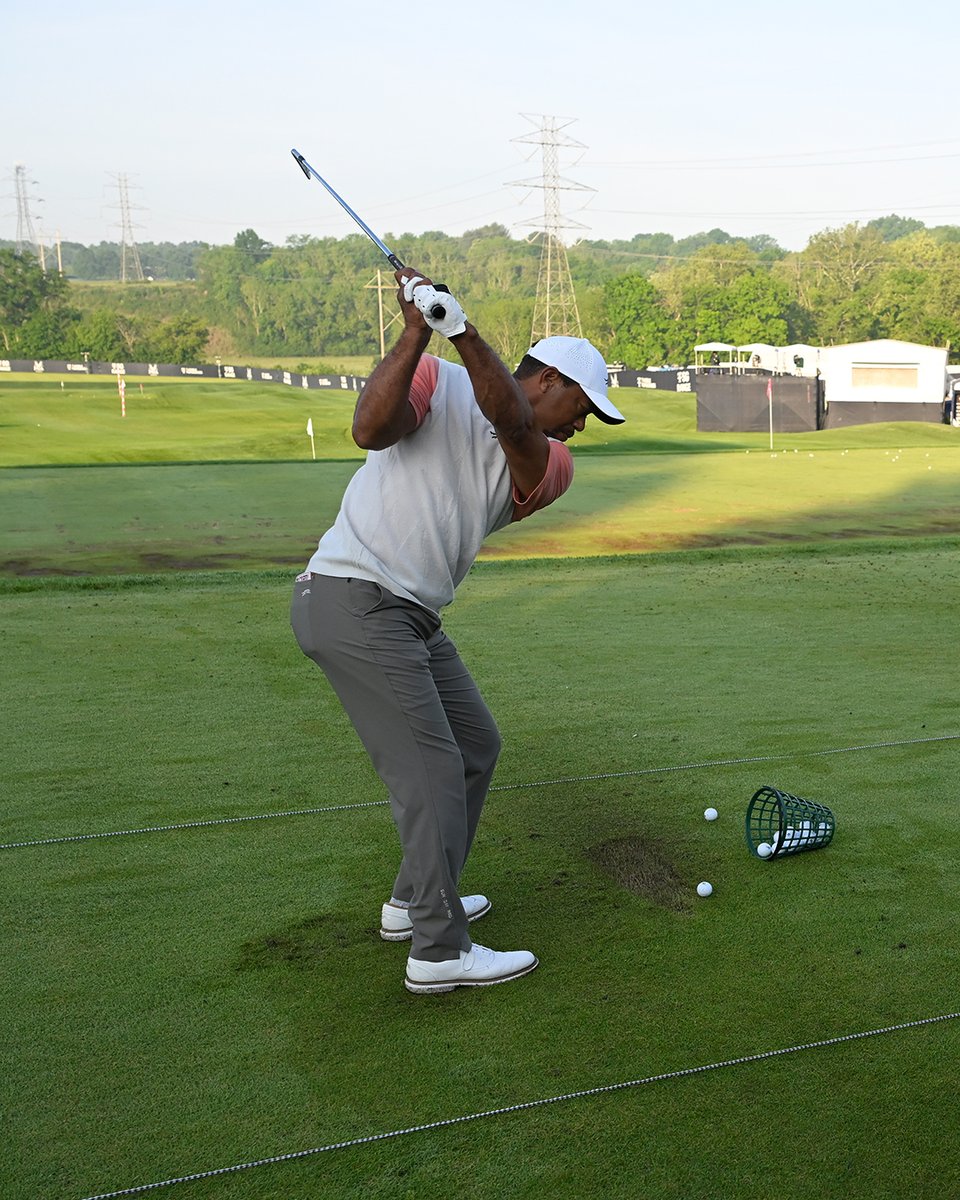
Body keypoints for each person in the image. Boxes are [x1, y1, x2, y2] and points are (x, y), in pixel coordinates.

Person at [290, 268, 625, 995]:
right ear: (548, 379)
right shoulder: (434, 381)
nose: (581, 427)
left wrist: (464, 329)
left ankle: (415, 901)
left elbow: (513, 424)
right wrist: (417, 332)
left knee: (475, 747)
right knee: (432, 770)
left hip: (406, 613)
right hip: (355, 595)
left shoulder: (552, 463)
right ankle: (439, 951)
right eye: (582, 406)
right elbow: (368, 429)